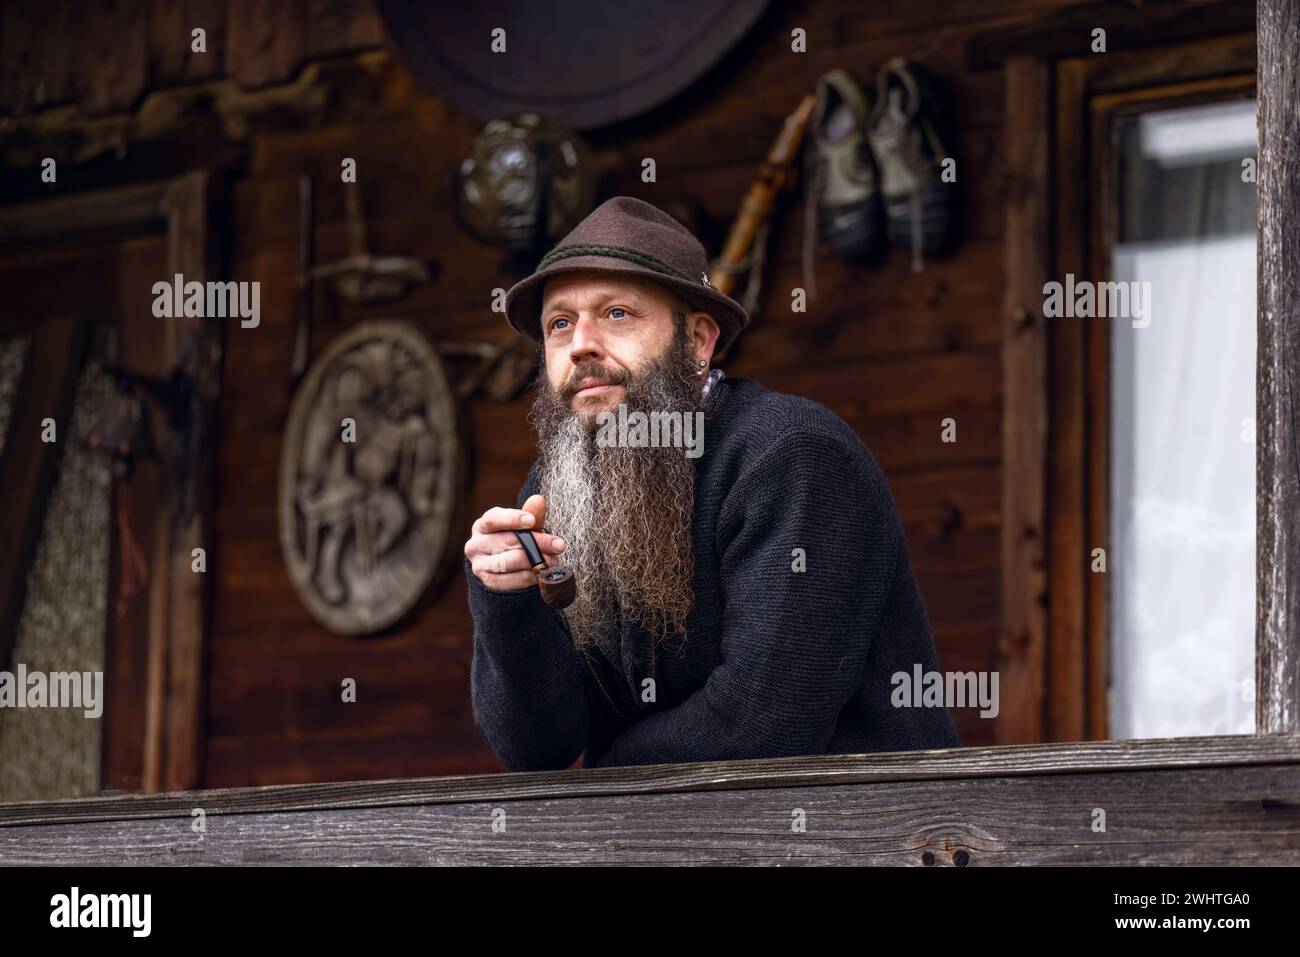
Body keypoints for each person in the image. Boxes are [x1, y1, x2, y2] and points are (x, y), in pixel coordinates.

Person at [464, 196, 962, 770]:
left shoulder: (792, 454)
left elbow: (763, 722)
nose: (581, 344)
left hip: (871, 837)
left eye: (618, 313)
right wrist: (507, 599)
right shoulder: (560, 483)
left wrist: (603, 774)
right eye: (559, 324)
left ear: (698, 342)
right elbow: (538, 749)